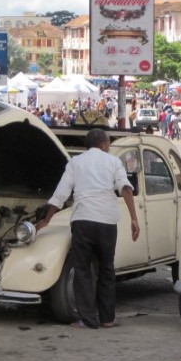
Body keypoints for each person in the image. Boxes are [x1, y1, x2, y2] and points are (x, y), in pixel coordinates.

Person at [35, 128, 140, 329]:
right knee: (107, 269)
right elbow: (125, 189)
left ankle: (87, 319)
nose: (108, 147)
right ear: (103, 144)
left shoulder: (76, 162)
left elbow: (61, 194)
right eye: (108, 144)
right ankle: (108, 318)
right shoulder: (113, 162)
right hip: (107, 222)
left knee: (83, 269)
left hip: (83, 220)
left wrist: (47, 219)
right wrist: (134, 219)